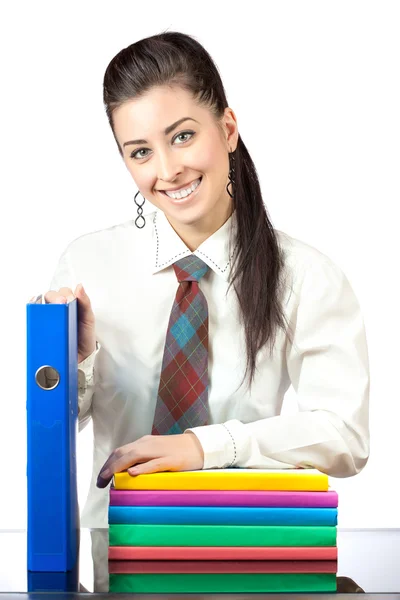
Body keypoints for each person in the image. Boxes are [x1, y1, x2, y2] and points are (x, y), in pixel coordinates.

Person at [37, 30, 370, 528]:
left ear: (228, 129)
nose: (168, 169)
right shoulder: (89, 265)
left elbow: (345, 436)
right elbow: (54, 428)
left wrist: (206, 447)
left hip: (243, 550)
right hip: (114, 559)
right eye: (140, 152)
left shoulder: (306, 276)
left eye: (182, 136)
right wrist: (72, 359)